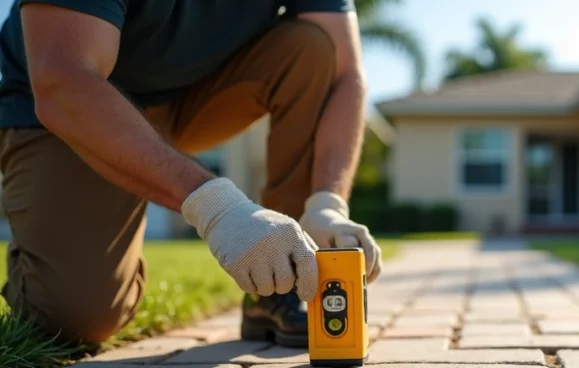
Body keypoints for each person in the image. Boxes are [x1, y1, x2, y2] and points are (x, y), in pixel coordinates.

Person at [0, 0, 383, 348]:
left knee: (312, 47)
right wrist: (216, 207)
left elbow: (343, 73)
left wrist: (326, 202)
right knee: (75, 318)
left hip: (192, 97)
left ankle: (278, 286)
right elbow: (62, 79)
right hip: (71, 106)